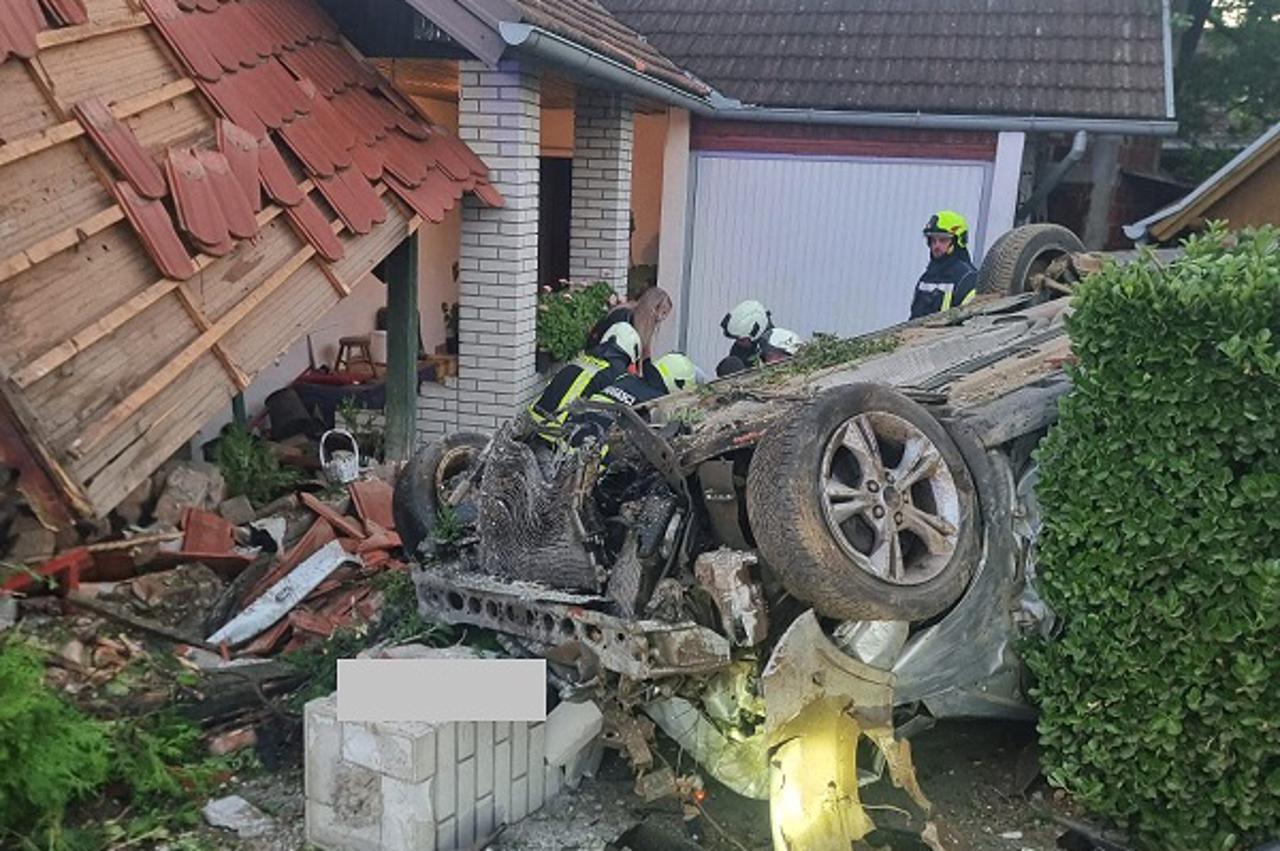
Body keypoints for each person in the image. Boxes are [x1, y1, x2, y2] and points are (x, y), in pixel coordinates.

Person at [528, 322, 641, 429]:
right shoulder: (616, 375)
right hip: (561, 436)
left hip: (535, 422)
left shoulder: (581, 359)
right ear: (631, 351)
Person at [910, 210, 979, 319]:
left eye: (943, 240)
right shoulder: (927, 277)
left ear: (958, 241)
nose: (936, 246)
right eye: (933, 240)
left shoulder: (968, 279)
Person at [585, 286, 673, 361]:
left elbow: (645, 352)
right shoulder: (623, 317)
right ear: (653, 307)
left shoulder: (640, 320)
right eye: (663, 313)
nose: (663, 318)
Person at [716, 299, 773, 375]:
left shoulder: (777, 352)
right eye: (736, 339)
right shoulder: (739, 350)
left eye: (742, 340)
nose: (738, 343)